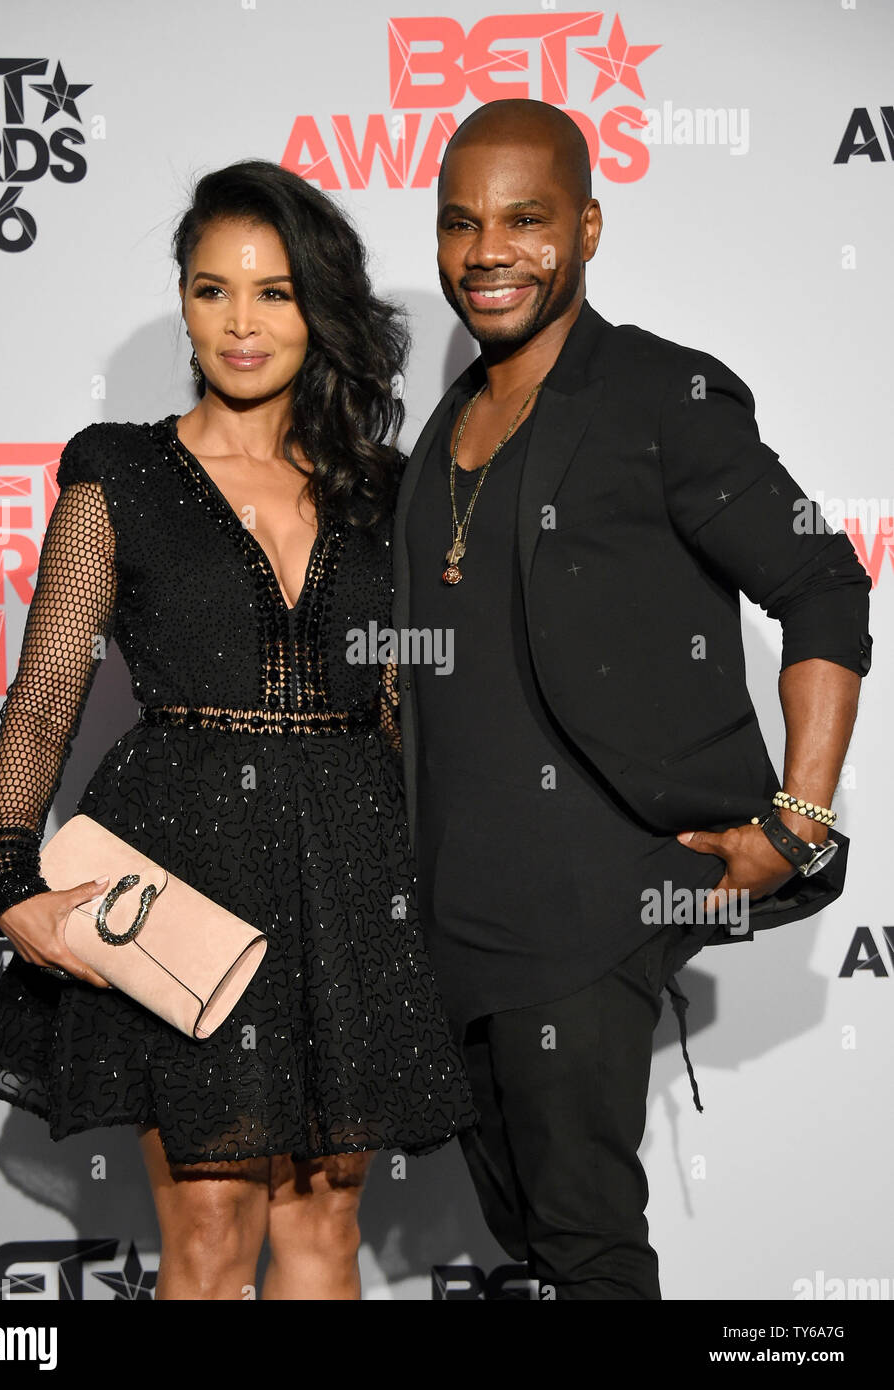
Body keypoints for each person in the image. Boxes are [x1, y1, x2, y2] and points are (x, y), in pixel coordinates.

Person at [0, 159, 477, 1301]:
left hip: (345, 865)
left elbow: (406, 708)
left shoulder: (382, 487)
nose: (241, 324)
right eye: (211, 291)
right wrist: (5, 867)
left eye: (275, 293)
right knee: (205, 1225)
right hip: (183, 867)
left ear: (319, 305)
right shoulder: (120, 470)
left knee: (324, 1220)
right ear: (184, 302)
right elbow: (49, 688)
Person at [392, 99, 872, 1299]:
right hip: (450, 915)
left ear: (589, 227)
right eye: (460, 222)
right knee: (530, 1239)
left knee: (589, 1248)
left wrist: (799, 818)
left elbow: (822, 581)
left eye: (525, 219)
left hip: (590, 903)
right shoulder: (443, 425)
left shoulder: (664, 395)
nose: (486, 250)